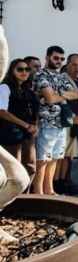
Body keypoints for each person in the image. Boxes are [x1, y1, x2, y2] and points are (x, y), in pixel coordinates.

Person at [32, 46, 78, 195]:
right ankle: (39, 193)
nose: (59, 61)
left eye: (61, 59)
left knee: (55, 159)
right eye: (56, 58)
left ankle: (49, 190)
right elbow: (50, 98)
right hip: (46, 123)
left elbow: (75, 94)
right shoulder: (40, 75)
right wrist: (61, 94)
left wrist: (58, 93)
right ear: (47, 57)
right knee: (42, 160)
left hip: (61, 124)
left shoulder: (60, 76)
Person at [0, 58, 38, 189]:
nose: (24, 72)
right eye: (20, 69)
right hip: (11, 134)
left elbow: (33, 111)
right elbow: (2, 112)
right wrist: (26, 125)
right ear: (12, 71)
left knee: (30, 166)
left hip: (28, 133)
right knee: (14, 170)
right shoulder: (5, 87)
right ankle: (11, 203)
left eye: (27, 69)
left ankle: (25, 199)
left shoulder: (28, 90)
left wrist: (34, 126)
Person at [55, 53, 78, 196]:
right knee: (60, 155)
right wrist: (73, 117)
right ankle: (57, 183)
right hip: (65, 121)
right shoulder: (62, 79)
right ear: (67, 64)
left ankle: (65, 179)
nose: (77, 68)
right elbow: (61, 101)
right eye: (74, 64)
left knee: (69, 155)